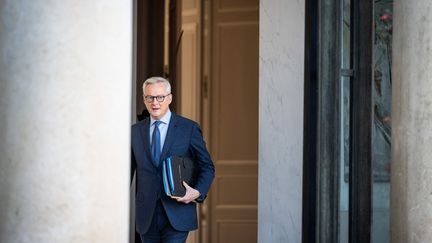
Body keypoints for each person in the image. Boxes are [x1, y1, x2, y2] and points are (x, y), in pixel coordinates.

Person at [131, 77, 215, 243]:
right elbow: (125, 172)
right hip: (146, 214)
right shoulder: (134, 132)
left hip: (178, 212)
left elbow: (207, 166)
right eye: (150, 97)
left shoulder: (188, 128)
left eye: (160, 97)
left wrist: (197, 192)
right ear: (144, 99)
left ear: (169, 98)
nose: (155, 102)